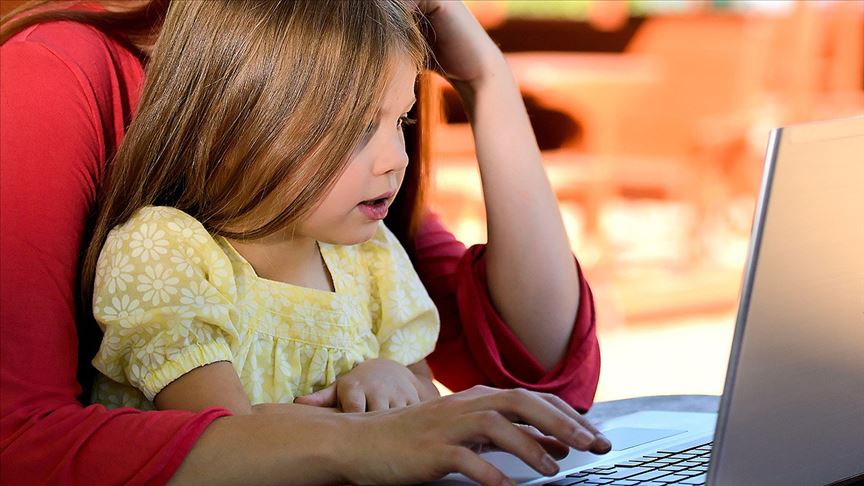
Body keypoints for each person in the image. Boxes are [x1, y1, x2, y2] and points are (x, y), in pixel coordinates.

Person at [0, 0, 607, 484]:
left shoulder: (353, 232)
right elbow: (20, 445)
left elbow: (543, 375)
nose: (395, 157)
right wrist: (360, 440)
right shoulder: (58, 77)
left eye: (402, 120)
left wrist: (486, 78)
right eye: (356, 125)